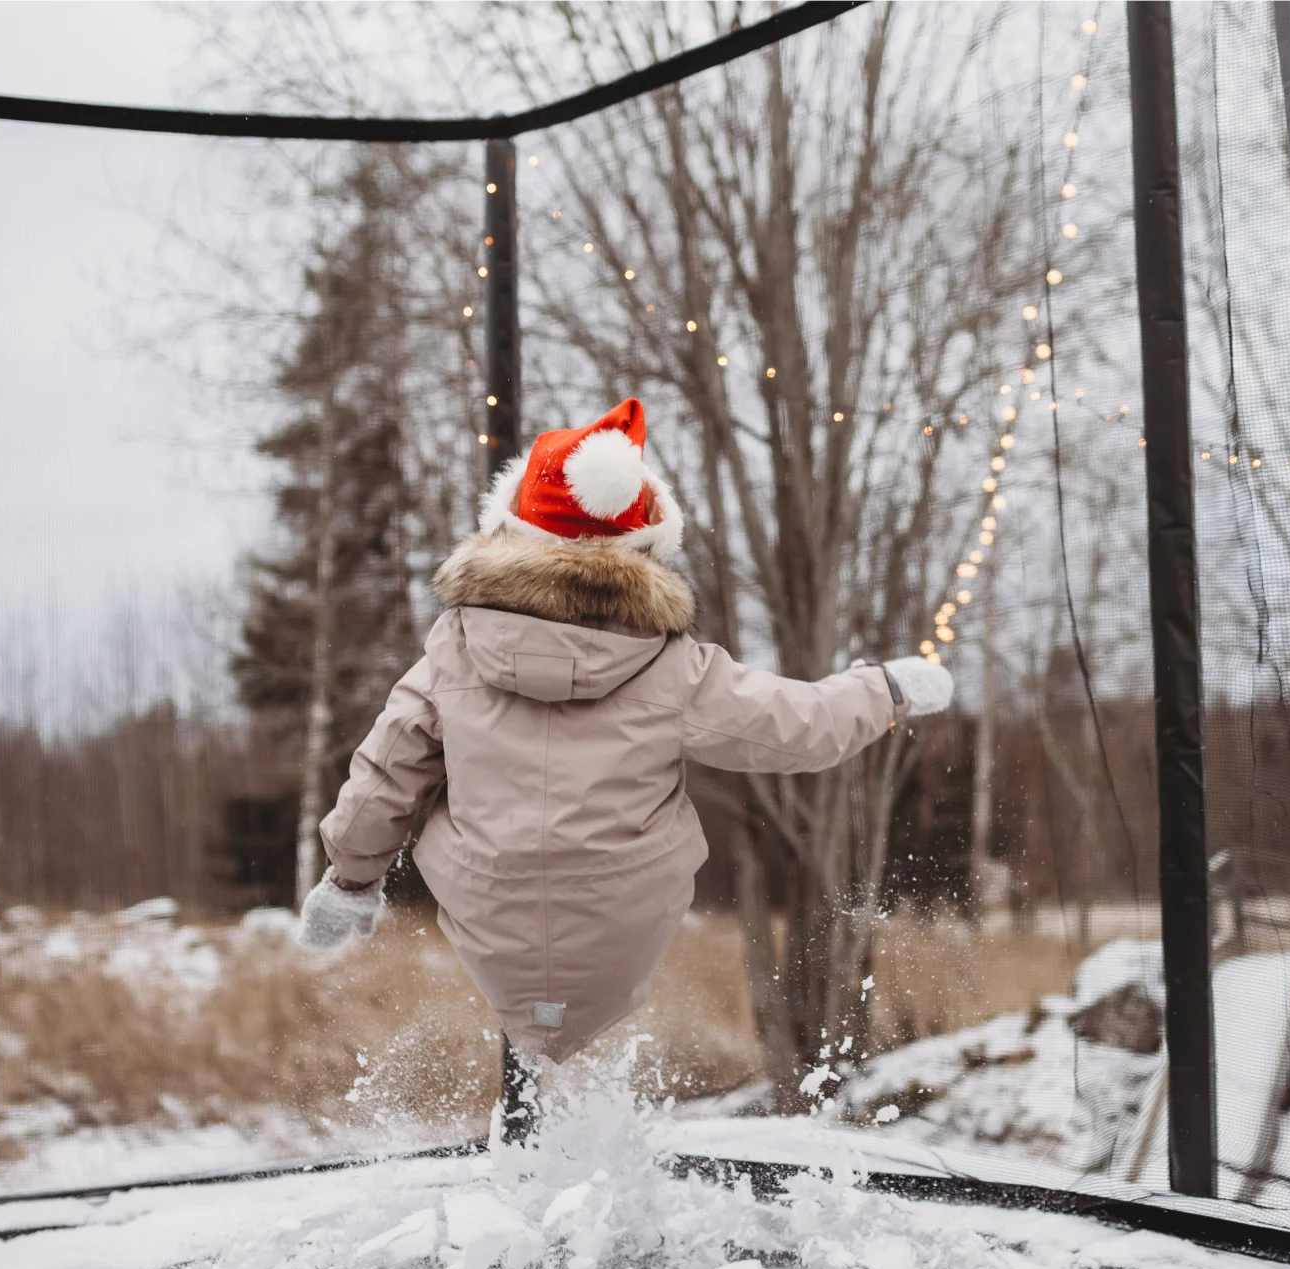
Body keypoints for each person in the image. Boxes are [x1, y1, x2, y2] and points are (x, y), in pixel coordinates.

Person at [296, 398, 952, 1069]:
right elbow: (803, 727)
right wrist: (887, 688)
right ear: (642, 545)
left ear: (513, 529)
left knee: (428, 778)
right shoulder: (673, 666)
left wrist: (349, 884)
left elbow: (382, 774)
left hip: (487, 922)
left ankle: (528, 1061)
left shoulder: (451, 650)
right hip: (620, 933)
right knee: (665, 804)